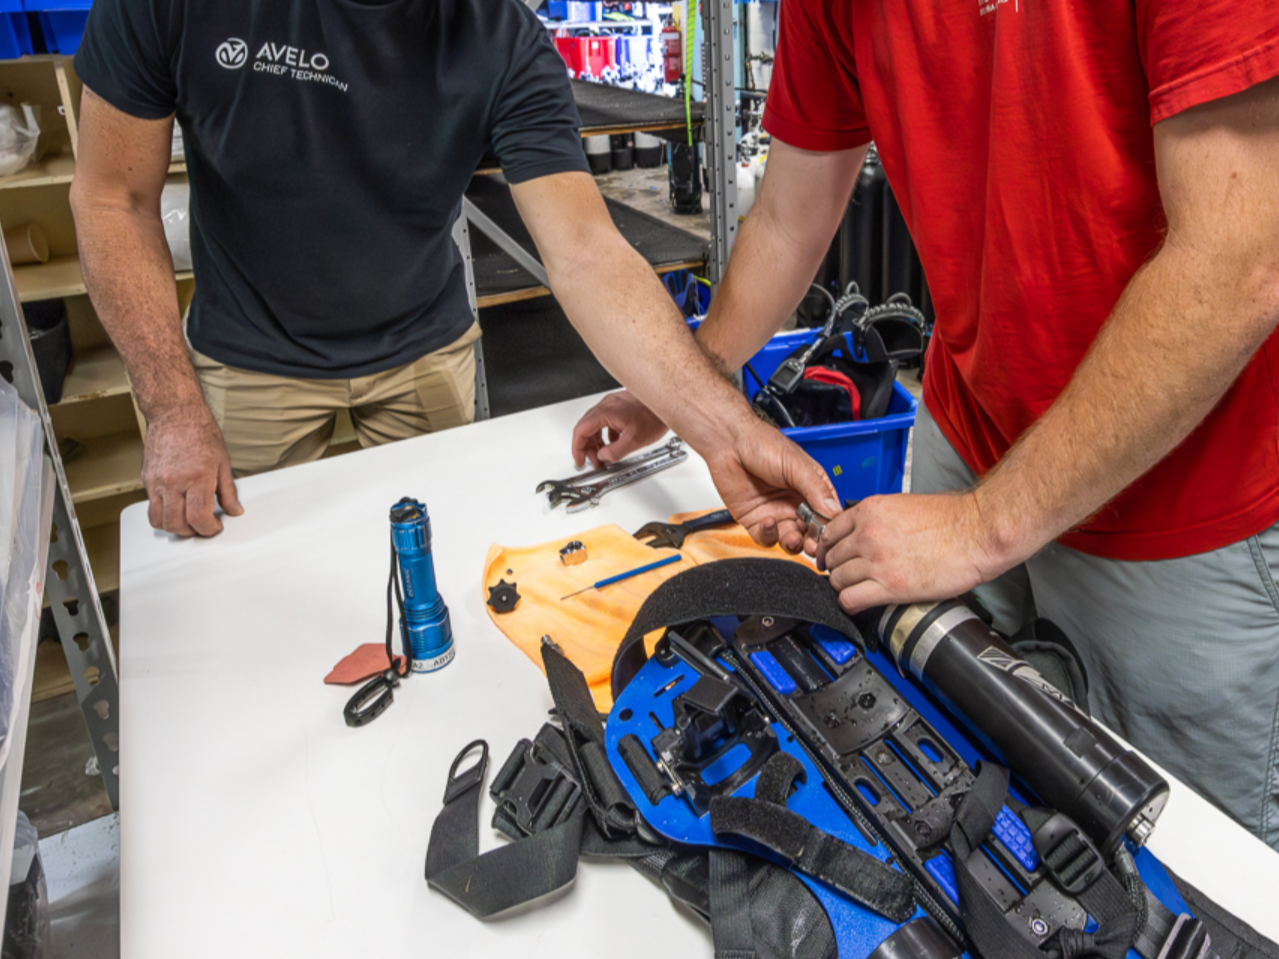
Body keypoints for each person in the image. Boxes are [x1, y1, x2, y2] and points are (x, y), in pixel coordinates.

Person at [572, 4, 1279, 846]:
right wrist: (687, 383)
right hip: (970, 437)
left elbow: (1238, 258)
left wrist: (985, 525)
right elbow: (790, 215)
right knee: (963, 802)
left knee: (1177, 861)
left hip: (1181, 498)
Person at [68, 0, 840, 544]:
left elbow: (586, 251)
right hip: (246, 360)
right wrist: (170, 406)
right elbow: (112, 199)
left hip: (424, 351)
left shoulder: (499, 34)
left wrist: (719, 427)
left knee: (453, 566)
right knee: (249, 583)